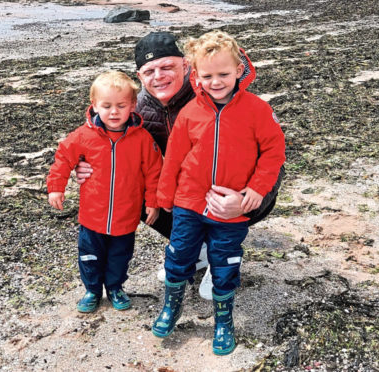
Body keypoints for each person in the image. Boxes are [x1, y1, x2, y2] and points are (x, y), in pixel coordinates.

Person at [74, 32, 284, 299]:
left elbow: (275, 156)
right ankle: (195, 249)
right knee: (130, 186)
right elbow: (98, 127)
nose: (159, 76)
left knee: (231, 204)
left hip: (238, 189)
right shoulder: (135, 111)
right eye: (150, 71)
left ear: (186, 66)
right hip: (188, 193)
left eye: (167, 67)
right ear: (140, 77)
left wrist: (248, 197)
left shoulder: (219, 94)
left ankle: (223, 254)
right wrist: (84, 163)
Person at [151, 31, 286, 356]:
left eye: (223, 74)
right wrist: (164, 198)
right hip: (188, 204)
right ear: (195, 75)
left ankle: (223, 321)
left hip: (233, 206)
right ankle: (172, 306)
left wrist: (256, 190)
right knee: (178, 255)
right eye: (207, 75)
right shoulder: (190, 113)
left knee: (226, 263)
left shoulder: (256, 110)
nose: (216, 82)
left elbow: (274, 151)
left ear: (239, 70)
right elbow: (174, 160)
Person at [47, 71, 162, 313]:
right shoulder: (83, 135)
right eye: (106, 105)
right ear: (95, 105)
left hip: (126, 216)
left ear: (132, 105)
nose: (114, 112)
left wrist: (153, 202)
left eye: (121, 105)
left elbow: (154, 171)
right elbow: (63, 159)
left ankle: (115, 287)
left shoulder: (141, 138)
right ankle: (91, 290)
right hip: (92, 216)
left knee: (120, 257)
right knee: (90, 255)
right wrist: (56, 188)